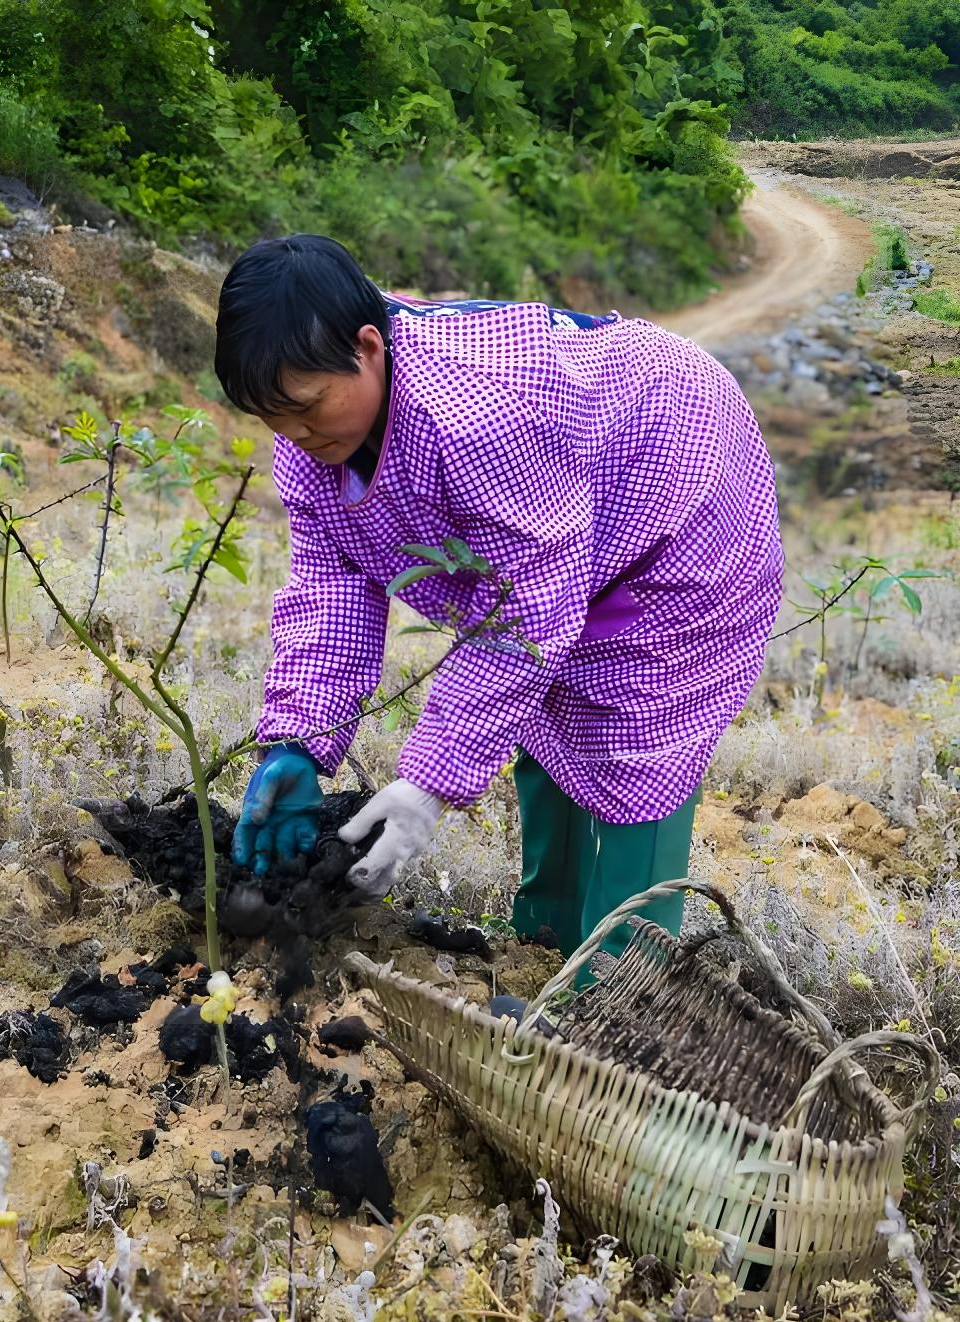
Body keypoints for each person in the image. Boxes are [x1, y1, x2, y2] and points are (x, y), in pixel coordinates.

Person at [217, 234, 782, 954]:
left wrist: (428, 782)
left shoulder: (477, 419)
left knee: (639, 734)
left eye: (306, 407)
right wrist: (297, 742)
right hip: (571, 499)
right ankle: (543, 943)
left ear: (368, 348)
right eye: (271, 416)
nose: (293, 434)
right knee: (547, 710)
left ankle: (622, 991)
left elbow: (524, 620)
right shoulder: (310, 440)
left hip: (681, 480)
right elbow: (332, 583)